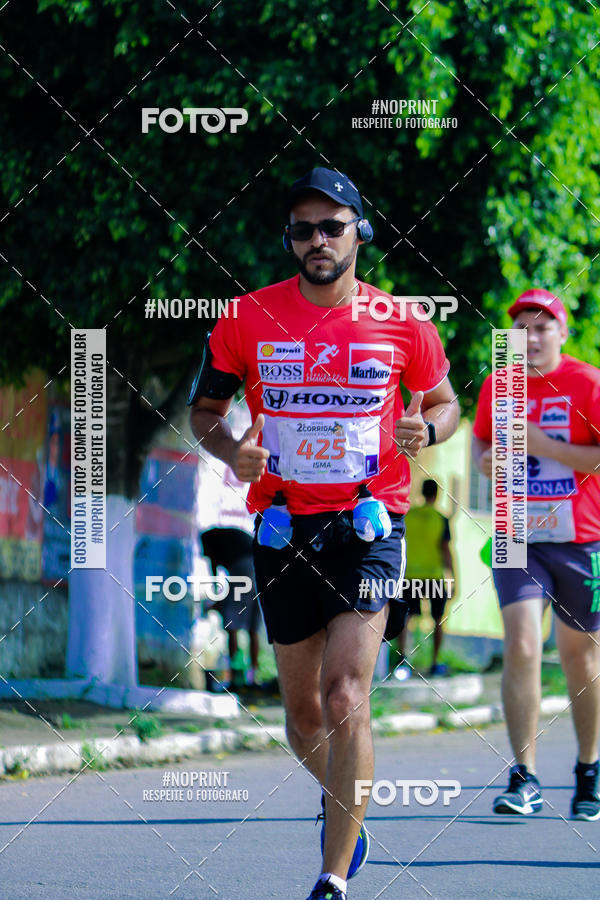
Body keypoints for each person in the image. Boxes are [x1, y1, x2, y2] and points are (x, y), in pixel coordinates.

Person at [189, 166, 458, 899]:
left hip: (368, 528)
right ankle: (350, 809)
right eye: (303, 229)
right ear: (290, 239)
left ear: (358, 233)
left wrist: (429, 428)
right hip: (282, 530)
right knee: (304, 718)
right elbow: (205, 412)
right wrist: (230, 450)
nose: (317, 240)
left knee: (345, 697)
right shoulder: (245, 318)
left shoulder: (404, 321)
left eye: (332, 227)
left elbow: (444, 402)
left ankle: (332, 878)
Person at [472, 288, 600, 821]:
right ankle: (523, 776)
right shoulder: (499, 384)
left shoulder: (588, 383)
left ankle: (588, 770)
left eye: (543, 326)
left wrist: (542, 445)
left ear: (563, 333)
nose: (531, 336)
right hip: (517, 533)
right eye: (522, 327)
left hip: (583, 538)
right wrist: (486, 462)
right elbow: (481, 445)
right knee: (522, 643)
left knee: (580, 656)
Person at [196, 396, 261, 690]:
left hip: (243, 569)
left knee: (233, 622)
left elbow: (213, 572)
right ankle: (253, 674)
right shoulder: (229, 534)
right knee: (252, 623)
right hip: (257, 563)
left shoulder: (208, 538)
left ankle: (236, 675)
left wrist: (215, 598)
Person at [391, 478, 455, 680]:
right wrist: (453, 578)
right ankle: (435, 663)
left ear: (421, 492)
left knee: (406, 619)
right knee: (438, 620)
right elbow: (446, 551)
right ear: (436, 495)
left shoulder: (408, 516)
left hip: (409, 576)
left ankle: (403, 661)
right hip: (434, 577)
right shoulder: (440, 519)